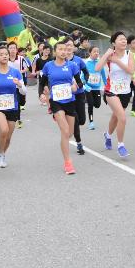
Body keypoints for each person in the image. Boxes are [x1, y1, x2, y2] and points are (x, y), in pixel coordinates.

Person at [38, 41, 80, 174]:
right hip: (56, 102)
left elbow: (79, 82)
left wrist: (76, 86)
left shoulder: (72, 65)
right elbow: (42, 82)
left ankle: (65, 147)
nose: (63, 51)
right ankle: (68, 163)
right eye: (60, 49)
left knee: (69, 133)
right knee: (65, 130)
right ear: (55, 52)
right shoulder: (48, 66)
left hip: (70, 101)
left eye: (65, 49)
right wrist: (41, 95)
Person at [0, 46, 27, 168]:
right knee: (3, 130)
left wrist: (19, 85)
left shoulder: (15, 72)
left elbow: (24, 92)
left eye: (6, 54)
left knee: (8, 137)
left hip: (13, 107)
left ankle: (2, 153)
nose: (4, 56)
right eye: (1, 54)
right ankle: (0, 155)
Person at [96, 31, 135, 158]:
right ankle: (121, 145)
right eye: (120, 39)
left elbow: (131, 71)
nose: (124, 41)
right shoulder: (109, 55)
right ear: (114, 43)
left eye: (125, 39)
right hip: (111, 90)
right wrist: (106, 55)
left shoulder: (130, 54)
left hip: (125, 92)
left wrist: (117, 61)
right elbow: (97, 68)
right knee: (122, 117)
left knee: (116, 117)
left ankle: (107, 135)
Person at [64, 38, 89, 154]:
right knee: (75, 119)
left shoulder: (78, 60)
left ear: (74, 48)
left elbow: (86, 72)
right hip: (67, 96)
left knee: (82, 120)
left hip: (79, 93)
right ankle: (79, 143)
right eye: (66, 45)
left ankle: (73, 126)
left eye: (71, 45)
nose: (69, 47)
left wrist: (83, 83)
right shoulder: (60, 61)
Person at [83, 46, 107, 130]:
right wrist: (85, 86)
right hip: (88, 88)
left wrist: (107, 86)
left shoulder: (100, 63)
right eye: (94, 51)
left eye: (98, 51)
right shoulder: (86, 63)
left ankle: (87, 100)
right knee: (90, 104)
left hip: (97, 88)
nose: (97, 53)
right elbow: (82, 77)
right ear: (90, 53)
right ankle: (91, 122)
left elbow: (103, 76)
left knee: (97, 105)